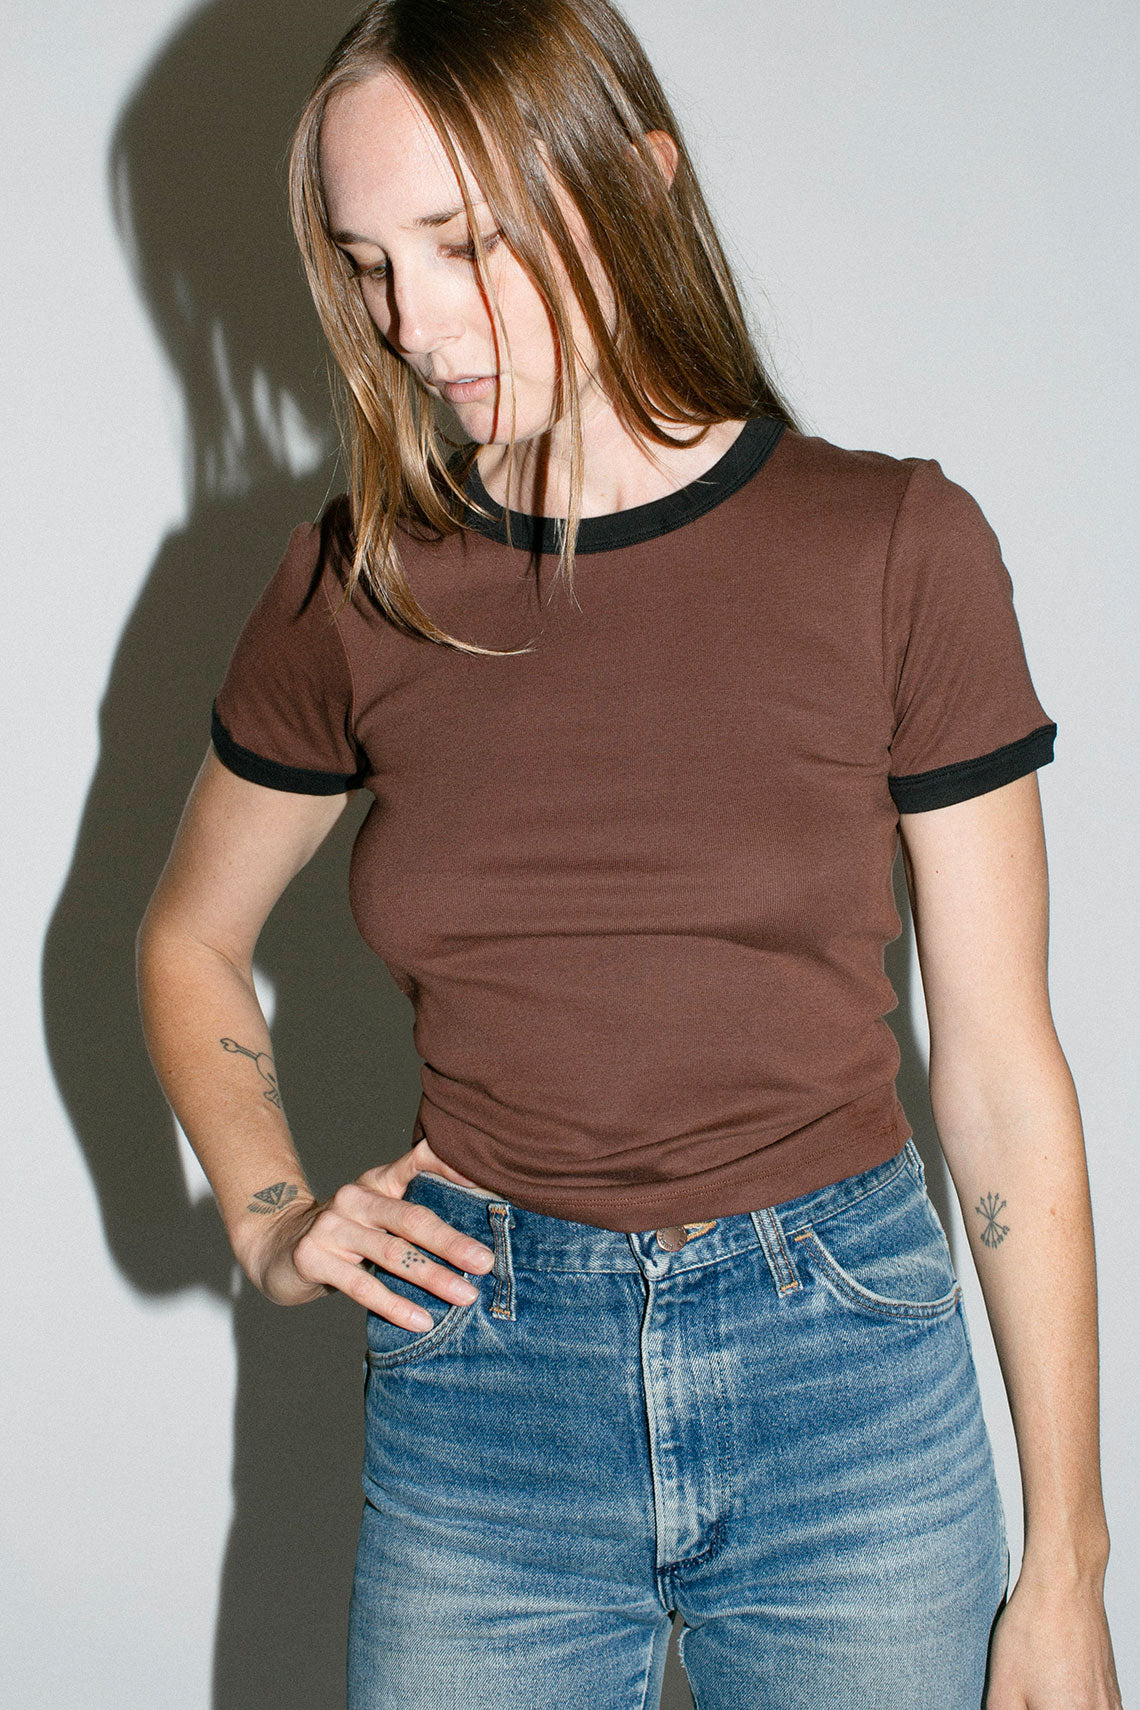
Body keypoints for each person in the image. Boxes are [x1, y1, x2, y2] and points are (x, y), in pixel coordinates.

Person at [136, 2, 1124, 1706]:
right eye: (371, 267)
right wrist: (273, 1215)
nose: (413, 324)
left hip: (847, 1381)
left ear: (638, 184)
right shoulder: (358, 583)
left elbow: (1001, 1076)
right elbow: (187, 938)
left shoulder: (895, 547)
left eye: (464, 244)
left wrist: (1069, 1565)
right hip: (484, 1388)